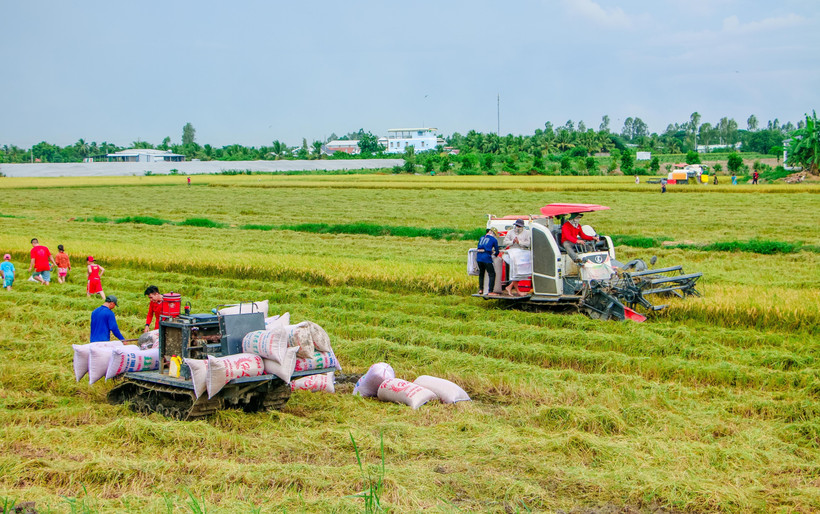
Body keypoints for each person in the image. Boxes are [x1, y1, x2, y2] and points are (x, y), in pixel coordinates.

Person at [502, 219, 531, 296]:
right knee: (515, 272)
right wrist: (512, 242)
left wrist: (520, 242)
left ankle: (510, 286)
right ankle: (517, 290)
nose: (517, 227)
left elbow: (529, 244)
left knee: (521, 273)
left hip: (523, 255)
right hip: (513, 254)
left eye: (519, 226)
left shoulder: (527, 233)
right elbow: (504, 242)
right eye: (516, 226)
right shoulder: (510, 232)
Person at [475, 229, 499, 296]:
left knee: (481, 273)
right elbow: (497, 251)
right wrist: (495, 254)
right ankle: (490, 291)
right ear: (493, 233)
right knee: (492, 274)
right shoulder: (494, 239)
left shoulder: (481, 237)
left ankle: (481, 289)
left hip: (479, 257)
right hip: (486, 258)